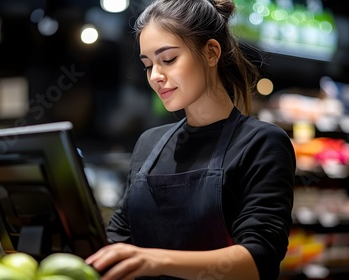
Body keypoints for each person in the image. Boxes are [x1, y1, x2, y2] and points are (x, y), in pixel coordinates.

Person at [85, 0, 296, 279]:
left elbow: (259, 258)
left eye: (168, 59)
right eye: (148, 65)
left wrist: (156, 261)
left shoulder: (261, 143)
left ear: (211, 52)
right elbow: (118, 239)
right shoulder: (149, 145)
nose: (156, 76)